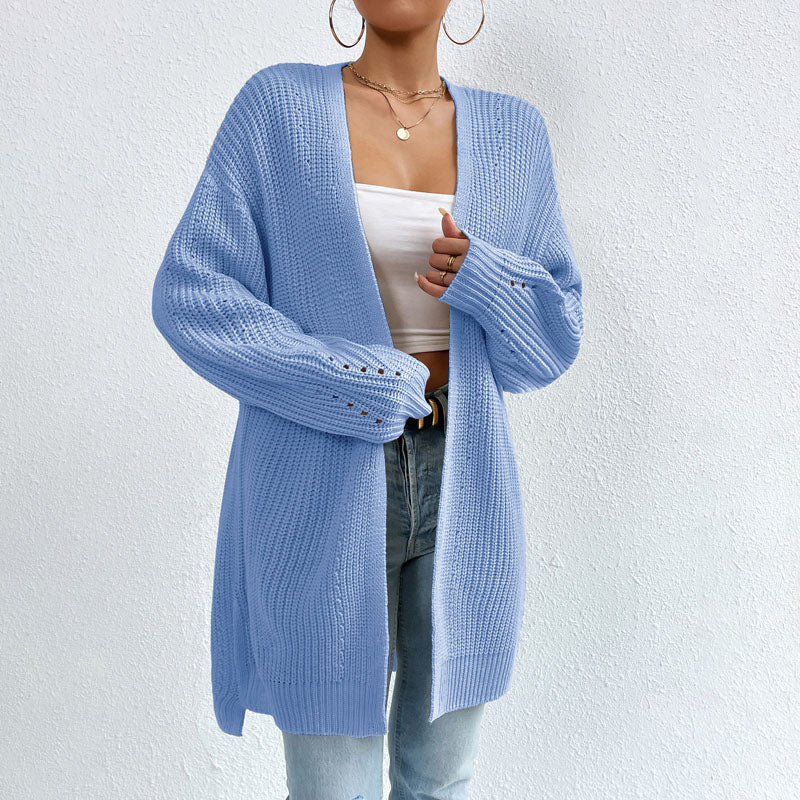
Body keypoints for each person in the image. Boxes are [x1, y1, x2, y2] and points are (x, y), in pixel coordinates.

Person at [151, 2, 584, 798]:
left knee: (440, 781)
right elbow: (193, 295)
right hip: (318, 482)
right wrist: (357, 382)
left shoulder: (516, 134)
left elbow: (549, 347)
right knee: (331, 788)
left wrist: (485, 278)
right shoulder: (278, 108)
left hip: (466, 482)